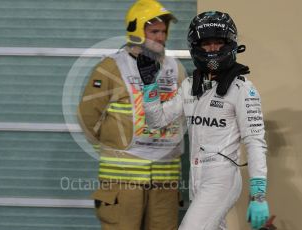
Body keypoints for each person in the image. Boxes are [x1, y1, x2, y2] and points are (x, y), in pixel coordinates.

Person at [138, 11, 270, 230]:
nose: (213, 49)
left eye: (219, 43)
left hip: (222, 178)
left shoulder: (243, 89)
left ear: (231, 44)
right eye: (206, 43)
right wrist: (150, 86)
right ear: (196, 47)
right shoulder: (190, 86)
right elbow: (157, 121)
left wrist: (258, 195)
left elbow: (255, 141)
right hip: (196, 176)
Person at [77, 0, 188, 229]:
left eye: (163, 31)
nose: (160, 36)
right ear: (136, 30)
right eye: (154, 31)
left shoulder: (175, 68)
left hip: (164, 180)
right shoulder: (111, 67)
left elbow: (184, 114)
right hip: (122, 180)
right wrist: (114, 146)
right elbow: (89, 117)